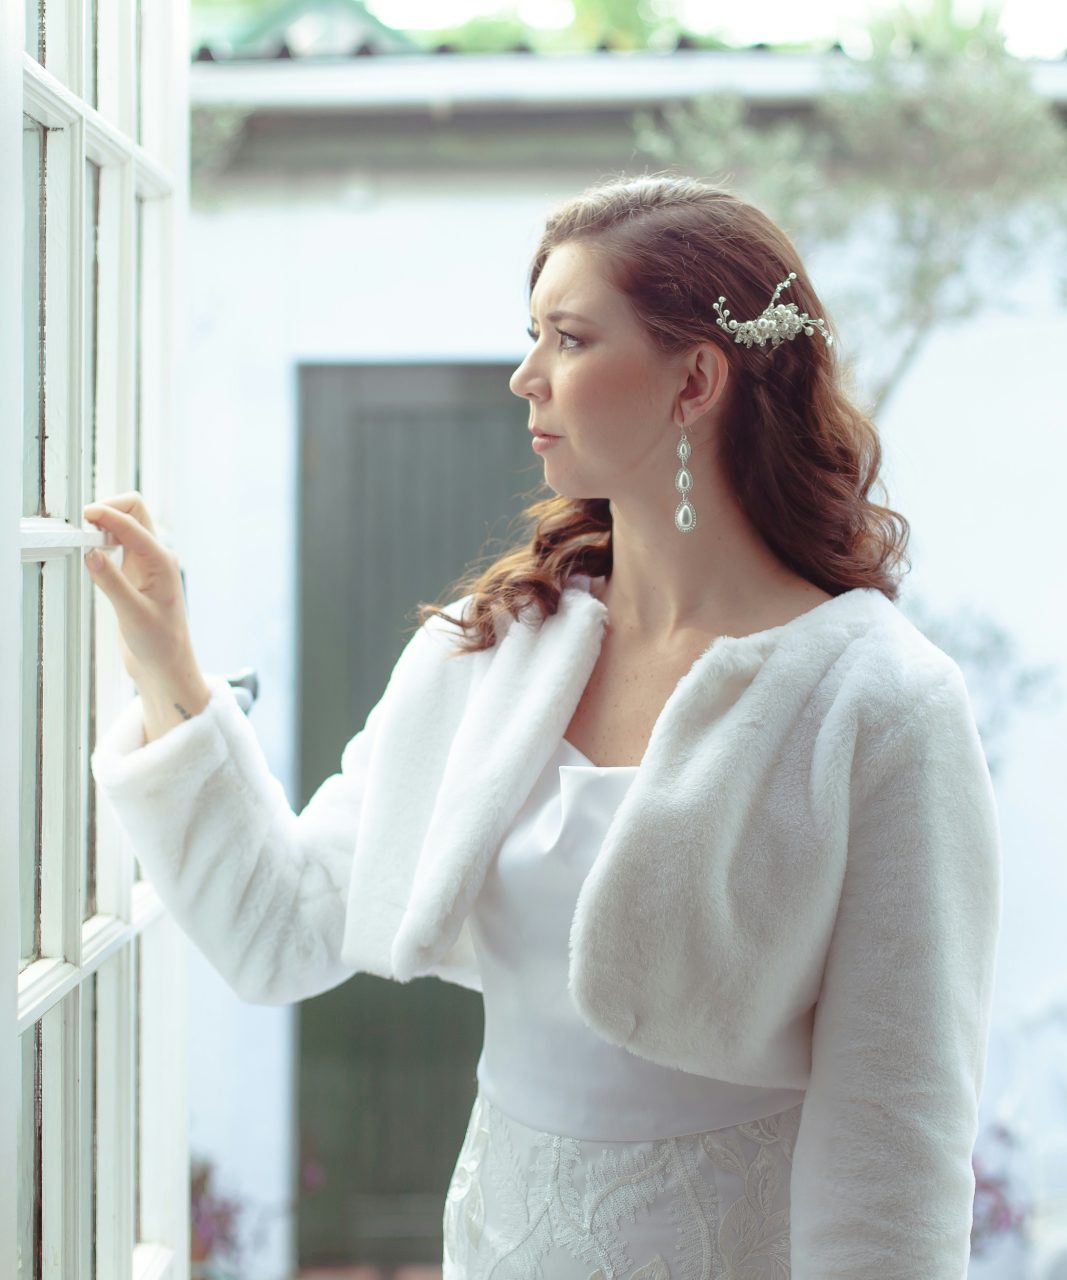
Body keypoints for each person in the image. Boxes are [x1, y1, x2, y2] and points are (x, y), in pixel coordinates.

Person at [85, 173, 1002, 1279]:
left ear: (696, 378)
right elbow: (278, 923)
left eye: (568, 338)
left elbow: (894, 1139)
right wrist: (166, 664)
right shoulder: (491, 651)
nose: (526, 376)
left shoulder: (881, 700)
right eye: (533, 336)